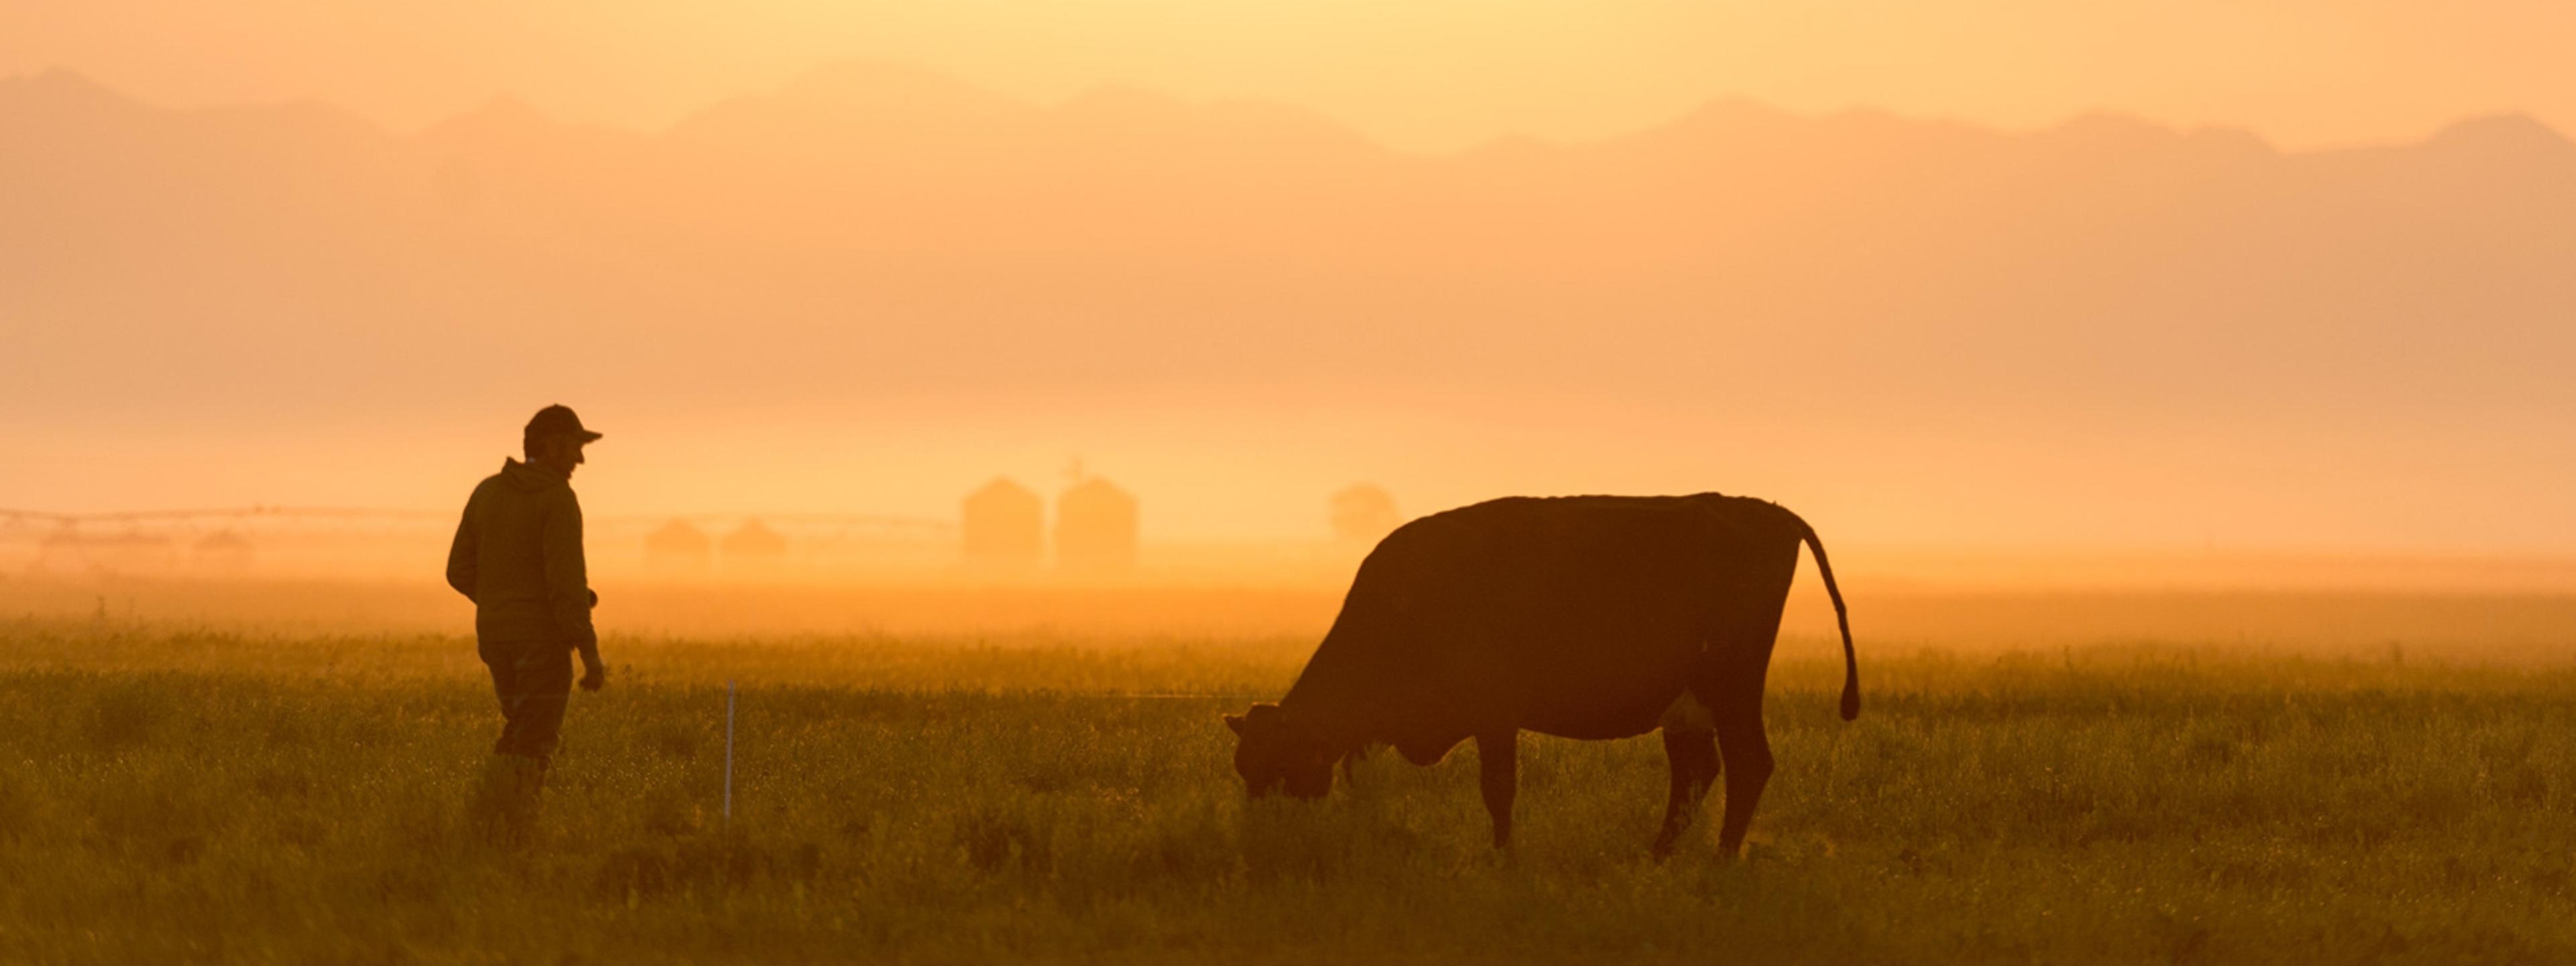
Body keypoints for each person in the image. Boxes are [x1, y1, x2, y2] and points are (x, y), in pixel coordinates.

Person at [445, 404, 608, 845]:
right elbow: (566, 587)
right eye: (575, 447)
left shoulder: (487, 492)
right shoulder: (557, 498)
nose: (580, 459)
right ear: (550, 446)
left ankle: (488, 820)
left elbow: (458, 571)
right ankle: (510, 831)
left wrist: (505, 601)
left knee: (518, 729)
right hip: (542, 641)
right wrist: (591, 657)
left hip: (495, 637)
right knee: (535, 742)